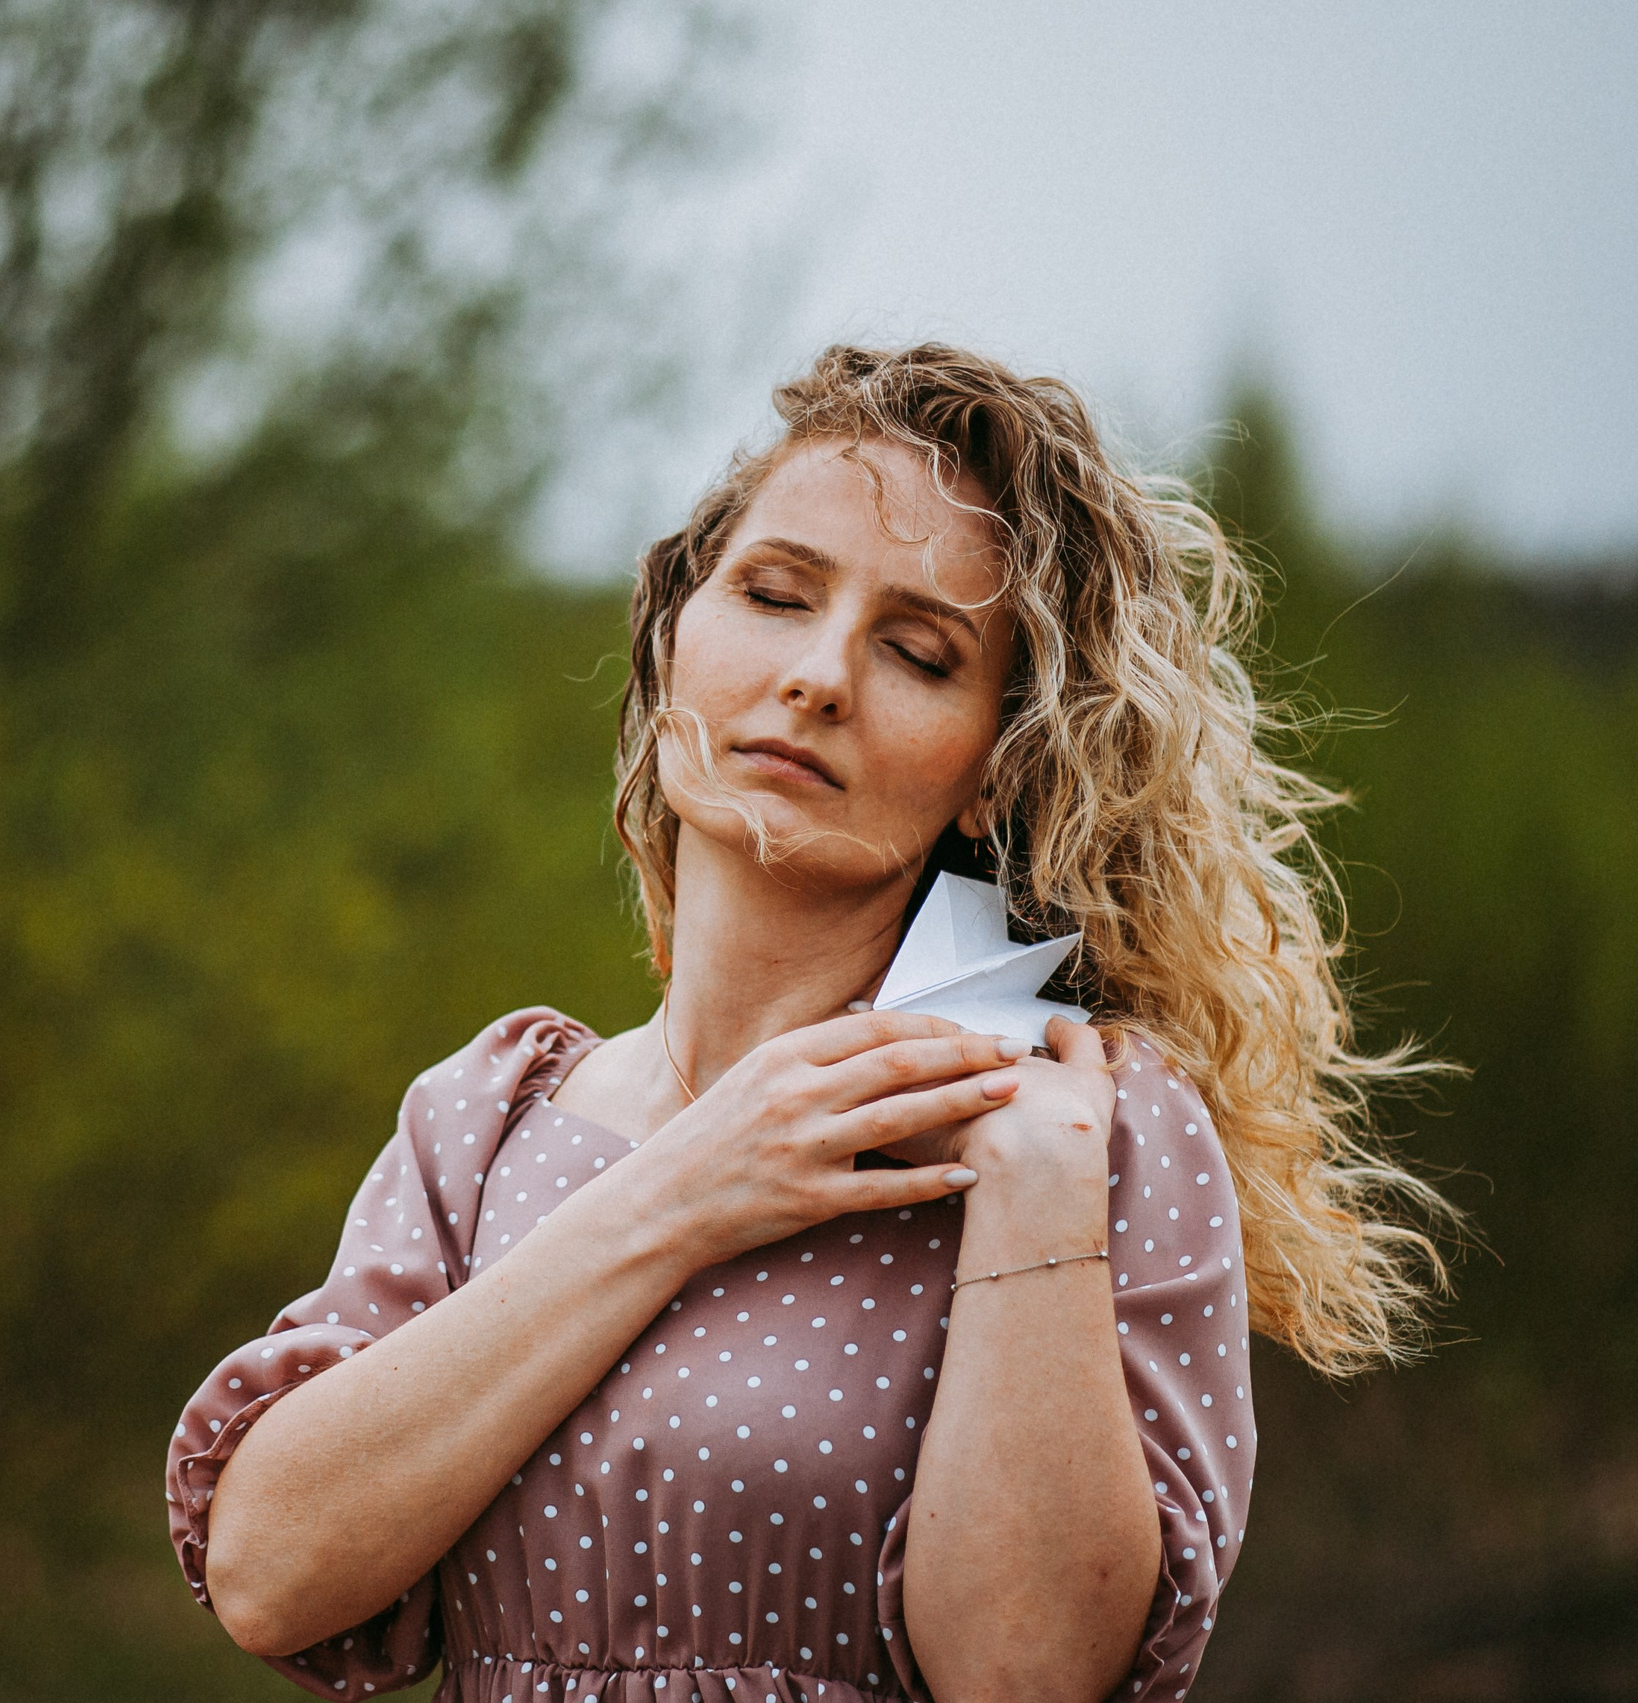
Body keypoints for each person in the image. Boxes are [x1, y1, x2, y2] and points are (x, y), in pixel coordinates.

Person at [165, 344, 1446, 1703]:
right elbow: (268, 1573)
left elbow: (1025, 1678)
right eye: (774, 595)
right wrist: (689, 1187)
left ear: (990, 774)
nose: (822, 675)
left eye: (917, 653)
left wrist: (1032, 1201)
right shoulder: (484, 1122)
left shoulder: (1084, 1128)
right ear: (672, 648)